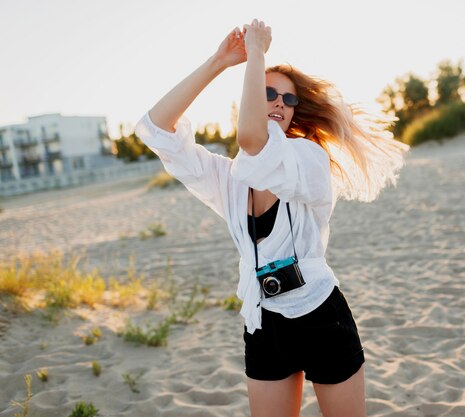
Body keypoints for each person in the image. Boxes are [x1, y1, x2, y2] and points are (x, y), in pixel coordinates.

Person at [135, 18, 409, 417]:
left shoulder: (308, 160)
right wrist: (219, 60)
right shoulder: (227, 179)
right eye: (267, 92)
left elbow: (253, 140)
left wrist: (258, 52)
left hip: (320, 315)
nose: (279, 102)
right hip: (263, 322)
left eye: (288, 99)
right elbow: (154, 129)